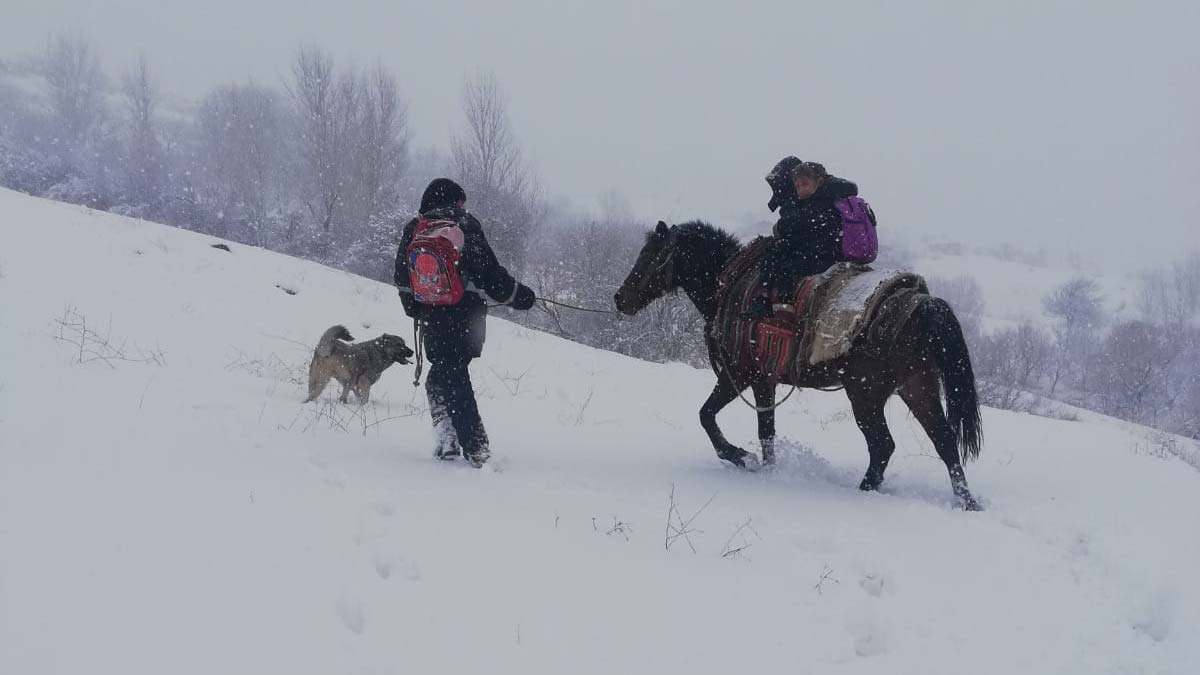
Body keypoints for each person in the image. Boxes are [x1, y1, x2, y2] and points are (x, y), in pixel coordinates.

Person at [394, 178, 536, 467]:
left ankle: (448, 435)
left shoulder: (415, 228)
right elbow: (490, 274)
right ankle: (476, 447)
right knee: (454, 373)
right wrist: (519, 296)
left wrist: (415, 308)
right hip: (467, 317)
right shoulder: (465, 224)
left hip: (432, 315)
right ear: (456, 201)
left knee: (445, 372)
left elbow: (402, 276)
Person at [748, 157, 868, 318]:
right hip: (822, 250)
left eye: (804, 184)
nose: (800, 189)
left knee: (785, 266)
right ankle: (766, 299)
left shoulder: (819, 202)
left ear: (818, 182)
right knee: (778, 254)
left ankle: (782, 306)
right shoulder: (826, 198)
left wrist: (781, 231)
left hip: (822, 254)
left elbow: (797, 225)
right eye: (797, 186)